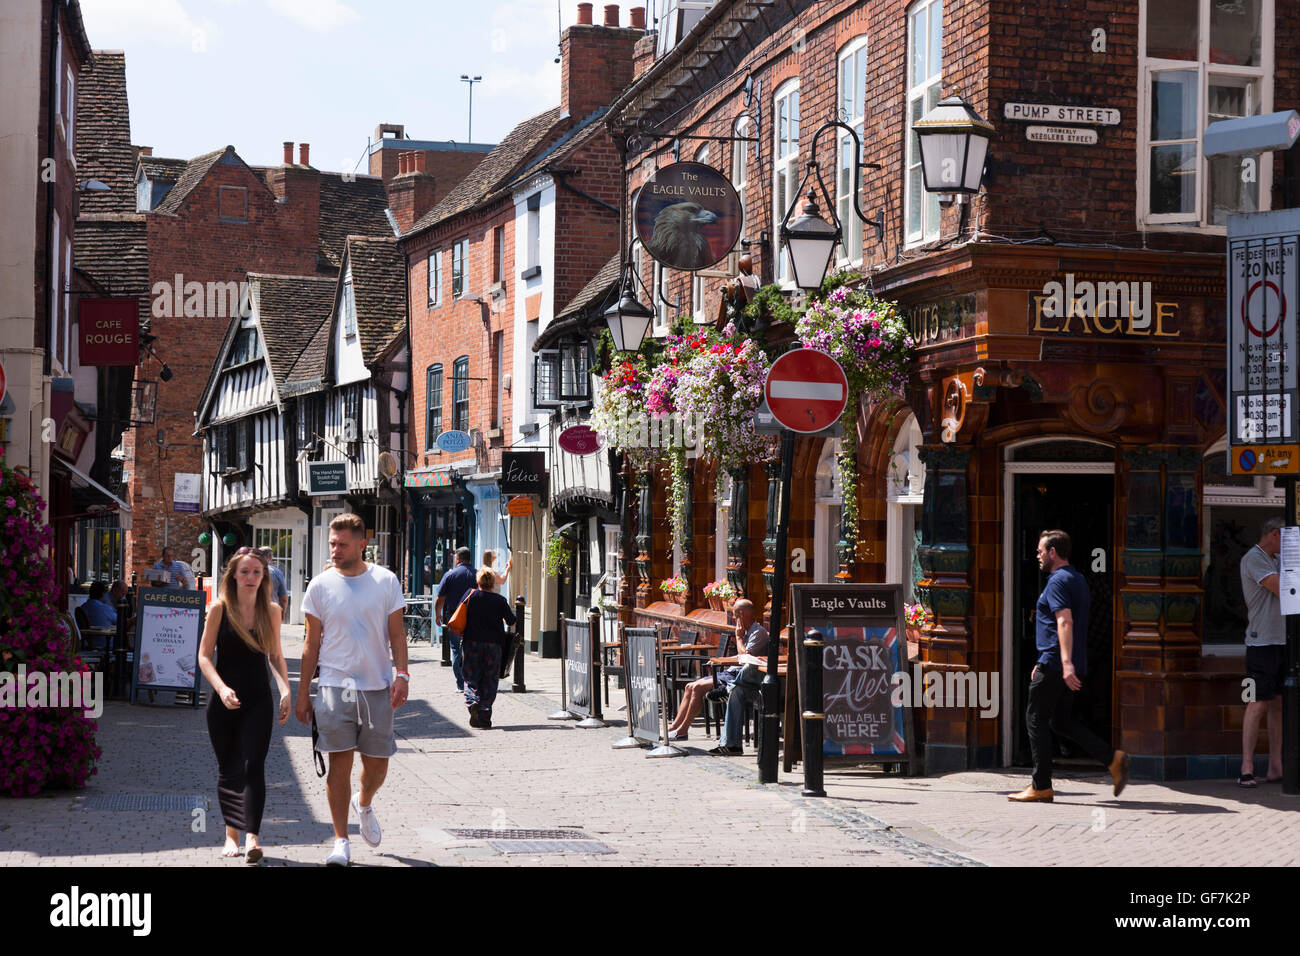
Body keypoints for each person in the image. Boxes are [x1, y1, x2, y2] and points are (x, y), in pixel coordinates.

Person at [296, 514, 408, 867]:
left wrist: (402, 674)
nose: (335, 549)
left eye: (342, 544)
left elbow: (397, 635)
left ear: (362, 544)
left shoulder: (385, 581)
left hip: (377, 686)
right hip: (333, 686)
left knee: (377, 765)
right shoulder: (320, 585)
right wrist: (302, 694)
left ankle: (365, 802)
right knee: (338, 765)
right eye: (332, 543)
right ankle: (341, 841)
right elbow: (310, 645)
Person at [1009, 529, 1129, 802]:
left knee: (1035, 719)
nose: (1037, 556)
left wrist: (1063, 664)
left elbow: (1064, 621)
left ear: (1053, 552)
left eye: (1040, 551)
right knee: (1061, 721)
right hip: (1061, 662)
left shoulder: (1057, 581)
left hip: (1056, 663)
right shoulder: (1078, 579)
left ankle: (1041, 785)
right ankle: (1113, 760)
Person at [197, 546, 290, 863]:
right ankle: (230, 835)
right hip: (223, 700)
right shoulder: (220, 609)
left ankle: (252, 838)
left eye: (257, 572)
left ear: (265, 577)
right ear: (233, 576)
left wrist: (285, 690)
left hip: (258, 699)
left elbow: (275, 656)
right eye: (245, 572)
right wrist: (221, 689)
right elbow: (204, 656)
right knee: (229, 768)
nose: (251, 577)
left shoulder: (272, 611)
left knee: (253, 766)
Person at [1238, 515, 1286, 787]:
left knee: (1278, 704)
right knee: (1257, 704)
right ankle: (1247, 766)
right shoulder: (1253, 559)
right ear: (1274, 535)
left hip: (1282, 640)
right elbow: (1282, 589)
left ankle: (1275, 765)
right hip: (1261, 642)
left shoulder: (1279, 560)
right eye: (1285, 539)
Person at [457, 567, 517, 728]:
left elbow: (459, 614)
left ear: (478, 582)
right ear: (493, 583)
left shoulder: (470, 595)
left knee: (471, 678)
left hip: (472, 643)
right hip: (493, 645)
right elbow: (511, 621)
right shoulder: (499, 600)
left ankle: (472, 702)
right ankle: (484, 713)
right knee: (490, 679)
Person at [707, 599, 768, 756]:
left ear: (741, 614)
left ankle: (727, 688)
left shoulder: (758, 632)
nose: (734, 620)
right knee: (735, 692)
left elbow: (745, 657)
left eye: (735, 616)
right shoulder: (748, 632)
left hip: (761, 684)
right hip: (747, 684)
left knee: (748, 667)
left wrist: (738, 638)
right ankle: (732, 746)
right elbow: (741, 656)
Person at [434, 547, 476, 692]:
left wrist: (437, 614)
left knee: (456, 650)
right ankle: (471, 682)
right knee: (470, 649)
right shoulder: (477, 574)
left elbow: (440, 598)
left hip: (454, 618)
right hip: (473, 618)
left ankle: (460, 684)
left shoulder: (450, 575)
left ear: (458, 559)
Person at [265, 551, 289, 622]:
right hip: (272, 612)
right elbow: (284, 598)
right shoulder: (276, 572)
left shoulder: (250, 572)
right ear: (270, 557)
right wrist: (283, 612)